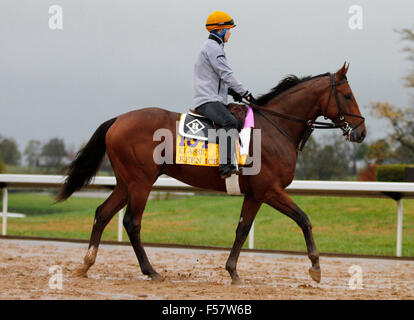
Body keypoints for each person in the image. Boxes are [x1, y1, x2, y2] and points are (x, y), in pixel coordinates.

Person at [193, 11, 257, 179]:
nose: (230, 33)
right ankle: (226, 166)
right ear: (220, 30)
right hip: (208, 101)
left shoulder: (213, 47)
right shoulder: (213, 48)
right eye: (229, 29)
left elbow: (214, 79)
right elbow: (227, 74)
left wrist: (231, 92)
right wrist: (246, 93)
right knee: (229, 121)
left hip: (213, 97)